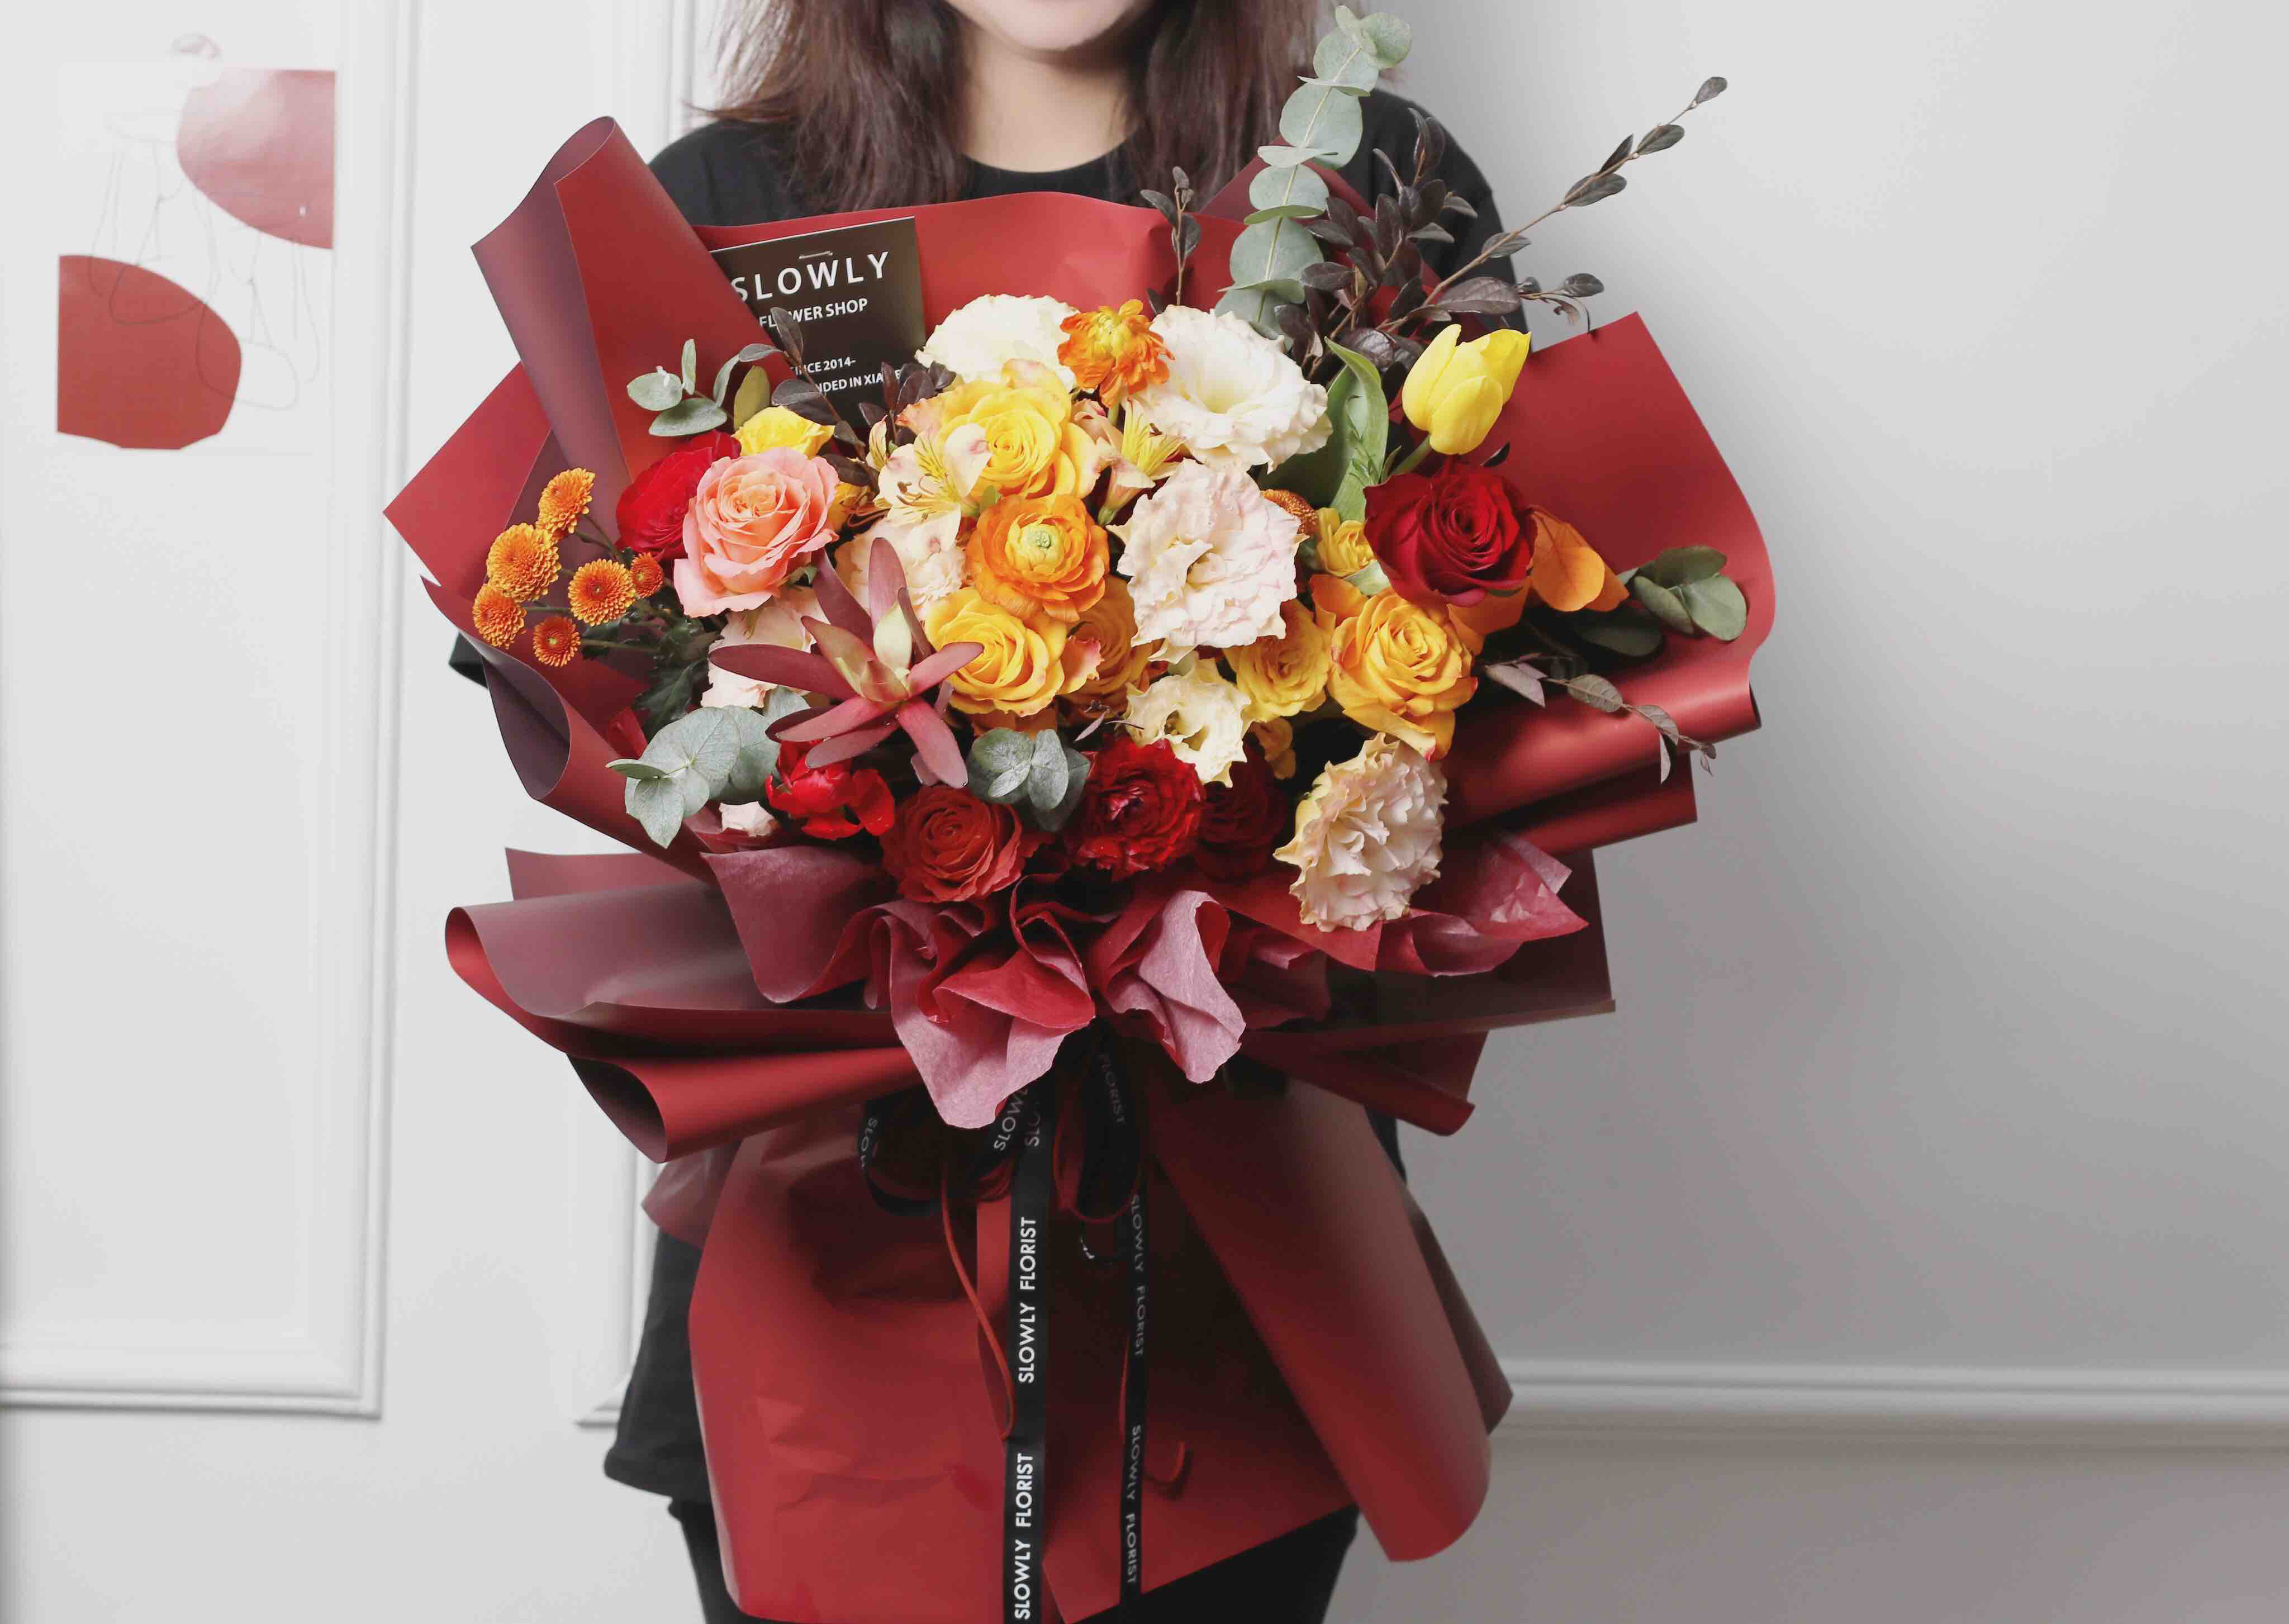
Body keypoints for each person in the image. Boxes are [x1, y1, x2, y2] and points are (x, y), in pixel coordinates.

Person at [462, 2, 1519, 1616]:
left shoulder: (1368, 180)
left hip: (1233, 1246)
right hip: (833, 1242)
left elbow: (1513, 675)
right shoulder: (717, 205)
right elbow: (582, 663)